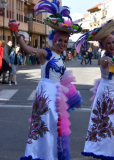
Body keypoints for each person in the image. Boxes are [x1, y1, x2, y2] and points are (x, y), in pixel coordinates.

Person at [14, 1, 83, 159]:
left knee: (54, 124)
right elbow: (27, 49)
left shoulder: (61, 58)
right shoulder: (46, 54)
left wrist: (74, 98)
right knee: (45, 120)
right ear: (54, 40)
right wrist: (18, 36)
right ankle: (37, 153)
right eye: (60, 40)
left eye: (65, 42)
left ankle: (49, 154)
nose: (63, 44)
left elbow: (64, 80)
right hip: (45, 92)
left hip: (56, 94)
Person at [75, 19, 114, 159]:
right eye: (108, 43)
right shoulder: (105, 58)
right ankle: (103, 149)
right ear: (103, 46)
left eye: (113, 42)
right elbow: (103, 63)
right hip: (107, 92)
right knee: (107, 121)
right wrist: (107, 61)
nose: (111, 45)